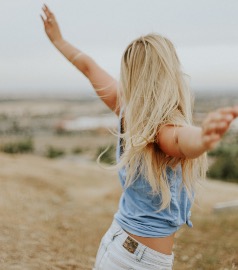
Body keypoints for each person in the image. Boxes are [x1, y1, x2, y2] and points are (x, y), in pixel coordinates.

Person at [41, 4, 238, 270]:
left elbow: (88, 67)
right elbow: (180, 140)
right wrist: (203, 138)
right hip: (136, 261)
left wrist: (58, 40)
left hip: (117, 244)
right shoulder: (160, 129)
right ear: (171, 74)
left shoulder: (127, 111)